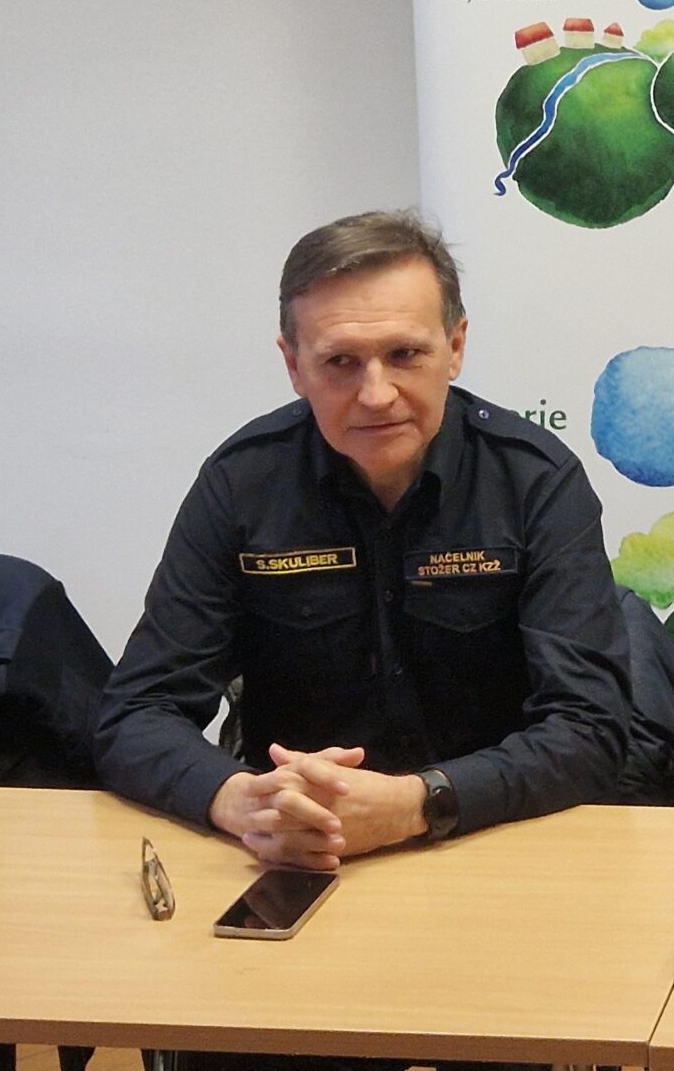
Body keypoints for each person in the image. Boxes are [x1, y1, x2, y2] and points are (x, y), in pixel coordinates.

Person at [97, 208, 630, 878]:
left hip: (493, 843)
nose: (376, 394)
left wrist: (418, 803)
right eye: (340, 362)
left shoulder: (534, 481)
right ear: (293, 365)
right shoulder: (242, 483)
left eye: (405, 354)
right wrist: (239, 800)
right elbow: (137, 713)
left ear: (455, 347)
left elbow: (591, 728)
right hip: (294, 854)